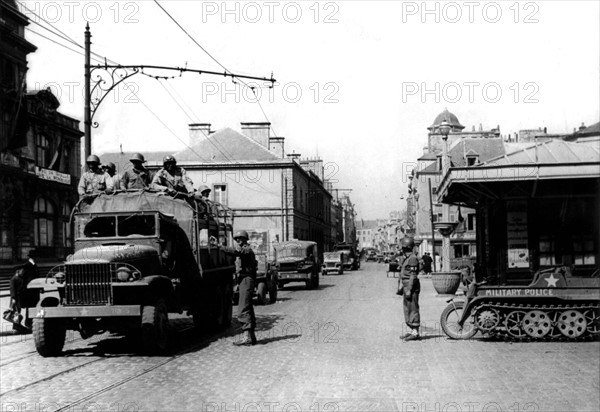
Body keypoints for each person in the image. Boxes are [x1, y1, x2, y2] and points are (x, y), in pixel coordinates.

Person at [222, 230, 258, 346]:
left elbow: (236, 252)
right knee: (248, 307)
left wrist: (220, 247)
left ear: (245, 239)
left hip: (247, 279)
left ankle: (247, 338)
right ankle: (251, 337)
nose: (238, 240)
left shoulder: (246, 249)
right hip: (244, 279)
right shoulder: (245, 250)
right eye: (236, 238)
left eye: (240, 238)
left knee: (243, 308)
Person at [398, 237, 421, 341]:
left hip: (411, 286)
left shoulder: (412, 258)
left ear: (406, 247)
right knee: (407, 309)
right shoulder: (407, 258)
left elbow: (413, 275)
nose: (402, 250)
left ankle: (415, 332)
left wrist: (409, 289)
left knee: (413, 308)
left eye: (403, 248)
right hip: (407, 286)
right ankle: (412, 330)